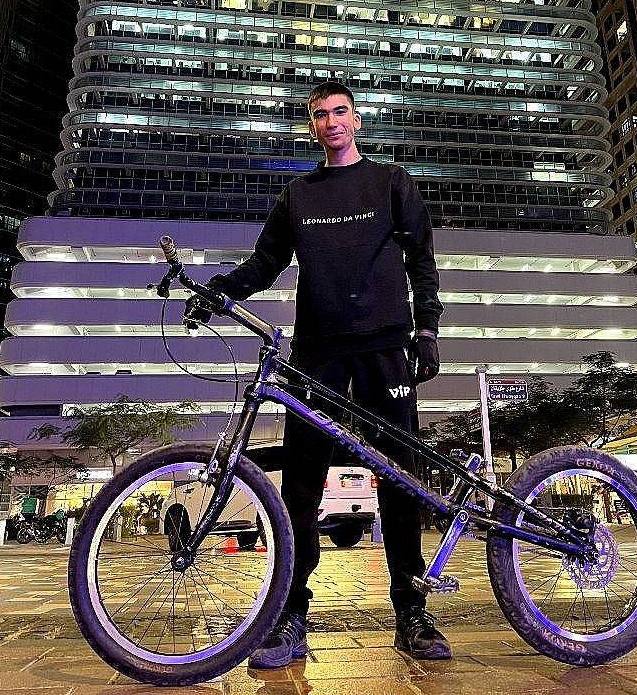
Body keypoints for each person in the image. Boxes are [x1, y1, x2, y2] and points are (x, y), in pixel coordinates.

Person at [185, 81, 450, 668]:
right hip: (317, 352)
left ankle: (411, 611)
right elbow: (265, 263)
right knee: (302, 484)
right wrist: (220, 289)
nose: (331, 121)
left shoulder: (392, 182)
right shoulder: (298, 195)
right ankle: (291, 615)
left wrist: (427, 330)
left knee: (400, 477)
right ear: (312, 127)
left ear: (356, 121)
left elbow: (422, 261)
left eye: (340, 112)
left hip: (384, 346)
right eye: (320, 115)